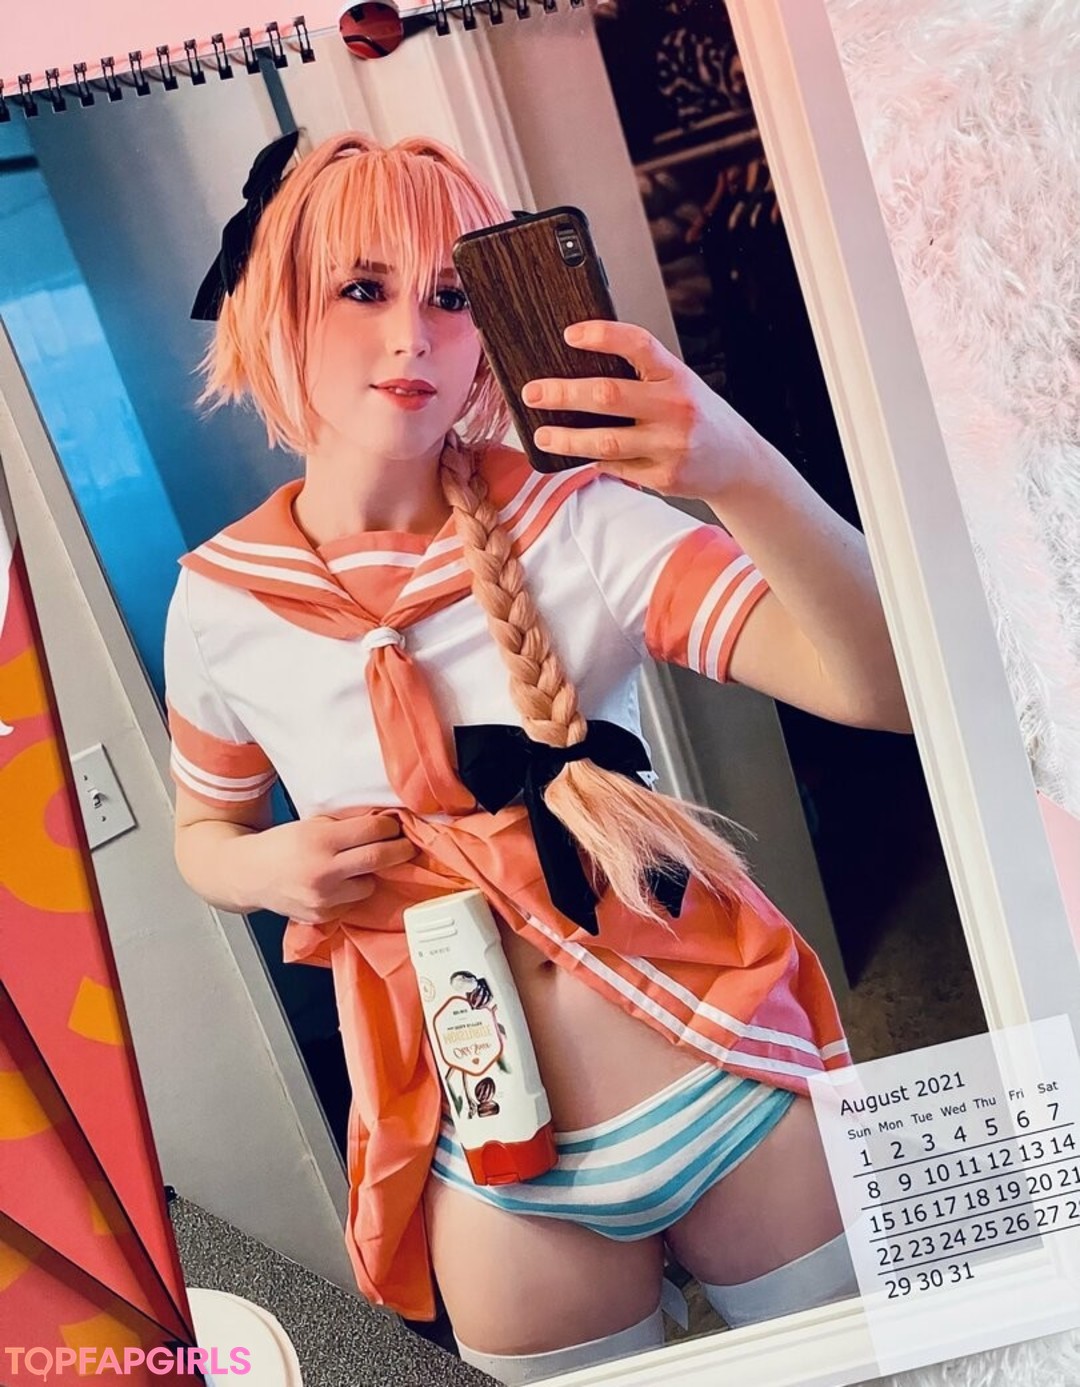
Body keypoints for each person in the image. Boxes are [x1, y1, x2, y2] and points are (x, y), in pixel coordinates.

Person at [167, 130, 910, 1384]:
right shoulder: (219, 604)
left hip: (723, 1077)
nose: (412, 336)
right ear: (272, 302)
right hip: (485, 1156)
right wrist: (268, 871)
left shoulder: (576, 520)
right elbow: (203, 837)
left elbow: (883, 687)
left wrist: (737, 466)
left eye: (450, 296)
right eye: (363, 287)